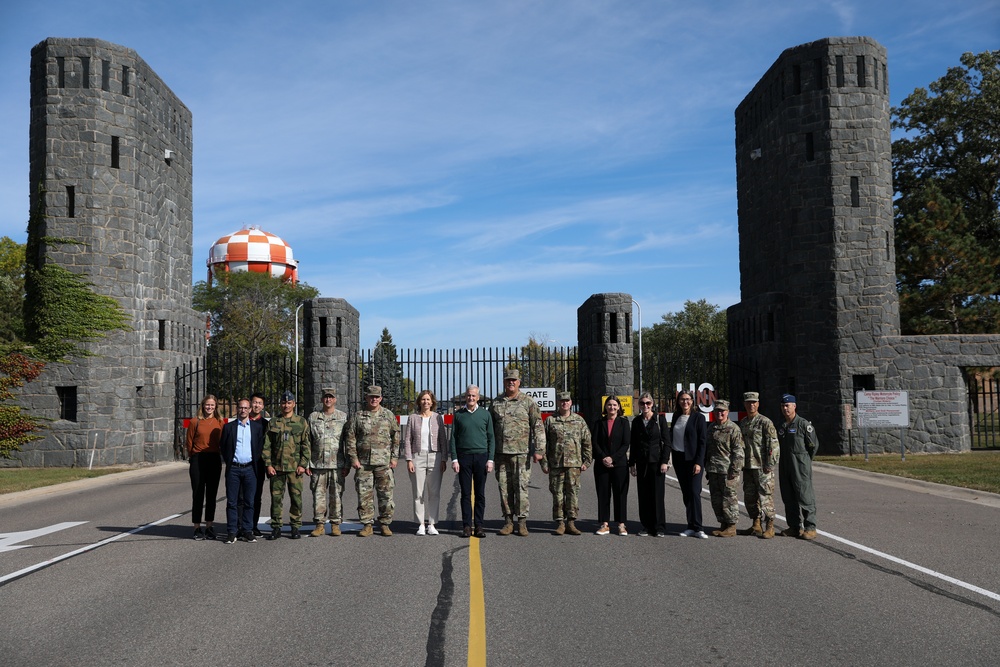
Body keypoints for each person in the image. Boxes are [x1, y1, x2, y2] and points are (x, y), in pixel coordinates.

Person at [490, 367, 545, 536]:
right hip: (501, 454)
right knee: (504, 489)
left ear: (519, 382)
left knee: (521, 488)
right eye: (508, 380)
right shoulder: (496, 402)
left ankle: (522, 522)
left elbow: (538, 426)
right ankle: (508, 521)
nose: (511, 382)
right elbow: (489, 429)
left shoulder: (528, 402)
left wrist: (540, 449)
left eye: (514, 380)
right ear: (504, 382)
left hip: (521, 453)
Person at [345, 385, 400, 537]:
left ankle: (384, 524)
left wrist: (394, 457)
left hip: (384, 463)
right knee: (364, 496)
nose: (374, 399)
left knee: (386, 496)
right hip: (364, 464)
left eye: (377, 397)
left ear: (381, 398)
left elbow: (396, 438)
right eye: (371, 396)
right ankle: (367, 524)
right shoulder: (358, 416)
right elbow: (350, 438)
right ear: (366, 397)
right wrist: (353, 458)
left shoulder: (388, 415)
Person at [541, 391, 592, 535]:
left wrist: (587, 461)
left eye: (567, 401)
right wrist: (544, 463)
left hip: (574, 464)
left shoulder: (579, 421)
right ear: (558, 403)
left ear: (571, 402)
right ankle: (560, 523)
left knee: (572, 493)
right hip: (556, 464)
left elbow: (586, 441)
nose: (564, 403)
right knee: (557, 494)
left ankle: (571, 522)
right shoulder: (550, 420)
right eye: (562, 401)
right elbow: (543, 443)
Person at [264, 390, 311, 540]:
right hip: (276, 468)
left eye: (289, 402)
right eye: (284, 402)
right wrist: (268, 465)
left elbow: (306, 445)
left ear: (294, 404)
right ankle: (276, 527)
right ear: (280, 404)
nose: (286, 405)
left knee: (296, 499)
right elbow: (266, 446)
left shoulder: (301, 422)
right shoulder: (273, 422)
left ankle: (295, 527)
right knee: (276, 499)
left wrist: (303, 464)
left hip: (295, 468)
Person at [450, 385, 495, 538]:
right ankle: (467, 526)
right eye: (468, 395)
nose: (471, 398)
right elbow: (453, 438)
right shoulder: (458, 415)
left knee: (480, 494)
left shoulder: (485, 414)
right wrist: (454, 459)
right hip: (464, 458)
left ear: (478, 397)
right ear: (465, 396)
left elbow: (491, 438)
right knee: (466, 494)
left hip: (481, 457)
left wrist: (490, 459)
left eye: (474, 396)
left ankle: (480, 525)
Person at [219, 398, 265, 544]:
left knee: (249, 501)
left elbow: (259, 448)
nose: (243, 410)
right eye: (241, 408)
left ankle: (247, 530)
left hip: (250, 469)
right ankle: (232, 531)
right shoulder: (229, 427)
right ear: (237, 409)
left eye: (246, 408)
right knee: (232, 502)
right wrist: (231, 462)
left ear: (250, 409)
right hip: (234, 469)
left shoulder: (257, 428)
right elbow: (224, 447)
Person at [404, 389, 448, 535]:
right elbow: (408, 440)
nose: (426, 402)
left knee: (434, 492)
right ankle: (421, 524)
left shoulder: (437, 418)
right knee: (418, 492)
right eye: (423, 399)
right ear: (419, 402)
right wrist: (409, 459)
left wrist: (443, 459)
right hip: (418, 457)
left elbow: (443, 439)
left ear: (432, 402)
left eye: (428, 399)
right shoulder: (413, 418)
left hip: (435, 457)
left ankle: (432, 523)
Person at [307, 387, 349, 537]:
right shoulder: (313, 417)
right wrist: (307, 463)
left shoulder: (343, 417)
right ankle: (319, 524)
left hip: (337, 464)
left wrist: (348, 463)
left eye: (331, 397)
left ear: (335, 399)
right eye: (326, 397)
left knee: (336, 495)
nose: (328, 400)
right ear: (322, 399)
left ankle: (335, 524)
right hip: (318, 465)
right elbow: (307, 442)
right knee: (318, 495)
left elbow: (348, 441)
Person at [738, 391, 780, 538]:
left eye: (754, 402)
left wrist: (770, 463)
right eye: (749, 402)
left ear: (758, 404)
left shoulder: (765, 422)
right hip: (748, 466)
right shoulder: (743, 423)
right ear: (745, 404)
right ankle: (756, 524)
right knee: (749, 497)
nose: (751, 405)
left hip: (763, 466)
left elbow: (773, 445)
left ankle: (770, 525)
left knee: (765, 497)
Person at [777, 394, 819, 540]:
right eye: (783, 405)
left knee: (805, 495)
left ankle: (810, 527)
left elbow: (813, 446)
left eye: (788, 405)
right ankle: (794, 526)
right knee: (788, 497)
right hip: (785, 466)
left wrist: (805, 461)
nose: (785, 408)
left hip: (800, 466)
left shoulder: (803, 425)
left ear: (794, 406)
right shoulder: (782, 426)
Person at [668, 390, 709, 538]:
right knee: (686, 493)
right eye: (682, 399)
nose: (685, 402)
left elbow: (703, 442)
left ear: (692, 401)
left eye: (688, 399)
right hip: (679, 459)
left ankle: (699, 527)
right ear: (678, 402)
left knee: (694, 492)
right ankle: (690, 525)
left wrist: (699, 462)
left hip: (693, 461)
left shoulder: (699, 418)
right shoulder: (676, 416)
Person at [629, 392, 669, 537]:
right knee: (644, 494)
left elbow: (667, 442)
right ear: (639, 405)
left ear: (652, 404)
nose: (645, 406)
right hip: (641, 462)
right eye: (642, 403)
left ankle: (659, 527)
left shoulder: (660, 420)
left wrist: (664, 461)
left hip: (657, 462)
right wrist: (631, 463)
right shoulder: (636, 421)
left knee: (657, 495)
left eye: (648, 403)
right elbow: (633, 444)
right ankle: (646, 525)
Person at [186, 394, 224, 540]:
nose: (209, 407)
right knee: (198, 493)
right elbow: (189, 442)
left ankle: (209, 525)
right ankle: (197, 527)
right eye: (207, 405)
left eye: (212, 405)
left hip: (214, 459)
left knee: (212, 495)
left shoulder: (220, 422)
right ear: (203, 406)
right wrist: (193, 457)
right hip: (198, 459)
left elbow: (223, 441)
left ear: (216, 407)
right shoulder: (195, 422)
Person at [592, 395, 631, 536]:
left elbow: (626, 444)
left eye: (614, 405)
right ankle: (604, 524)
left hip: (619, 465)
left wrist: (612, 458)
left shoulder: (624, 423)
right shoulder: (598, 423)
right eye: (609, 405)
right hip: (601, 465)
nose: (612, 407)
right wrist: (604, 457)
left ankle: (621, 524)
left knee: (620, 494)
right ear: (605, 407)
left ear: (619, 407)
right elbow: (594, 443)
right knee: (603, 494)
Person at [705, 400, 745, 537]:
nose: (720, 413)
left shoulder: (733, 429)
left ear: (727, 412)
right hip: (714, 470)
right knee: (716, 499)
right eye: (717, 411)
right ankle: (723, 523)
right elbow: (708, 449)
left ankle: (731, 526)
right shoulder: (711, 428)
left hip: (728, 471)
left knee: (729, 499)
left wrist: (734, 471)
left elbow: (738, 452)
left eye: (722, 411)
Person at [247, 392, 270, 537]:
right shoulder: (243, 421)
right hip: (243, 464)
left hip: (259, 466)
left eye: (259, 403)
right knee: (242, 498)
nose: (257, 405)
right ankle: (242, 525)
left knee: (256, 497)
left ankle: (253, 525)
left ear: (263, 406)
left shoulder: (266, 424)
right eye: (254, 402)